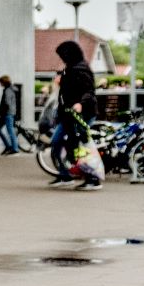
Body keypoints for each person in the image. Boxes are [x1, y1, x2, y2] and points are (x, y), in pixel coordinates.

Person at [51, 40, 102, 189]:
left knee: (80, 146)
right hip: (70, 115)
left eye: (62, 55)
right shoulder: (72, 67)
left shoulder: (80, 69)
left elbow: (89, 91)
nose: (60, 58)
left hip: (80, 114)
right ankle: (65, 175)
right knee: (60, 142)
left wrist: (80, 104)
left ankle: (92, 178)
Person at [0, 73, 23, 155]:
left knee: (10, 131)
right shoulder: (11, 89)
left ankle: (14, 148)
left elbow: (7, 102)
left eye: (0, 82)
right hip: (8, 113)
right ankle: (8, 146)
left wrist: (3, 111)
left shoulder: (8, 90)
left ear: (4, 82)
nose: (0, 84)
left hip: (7, 113)